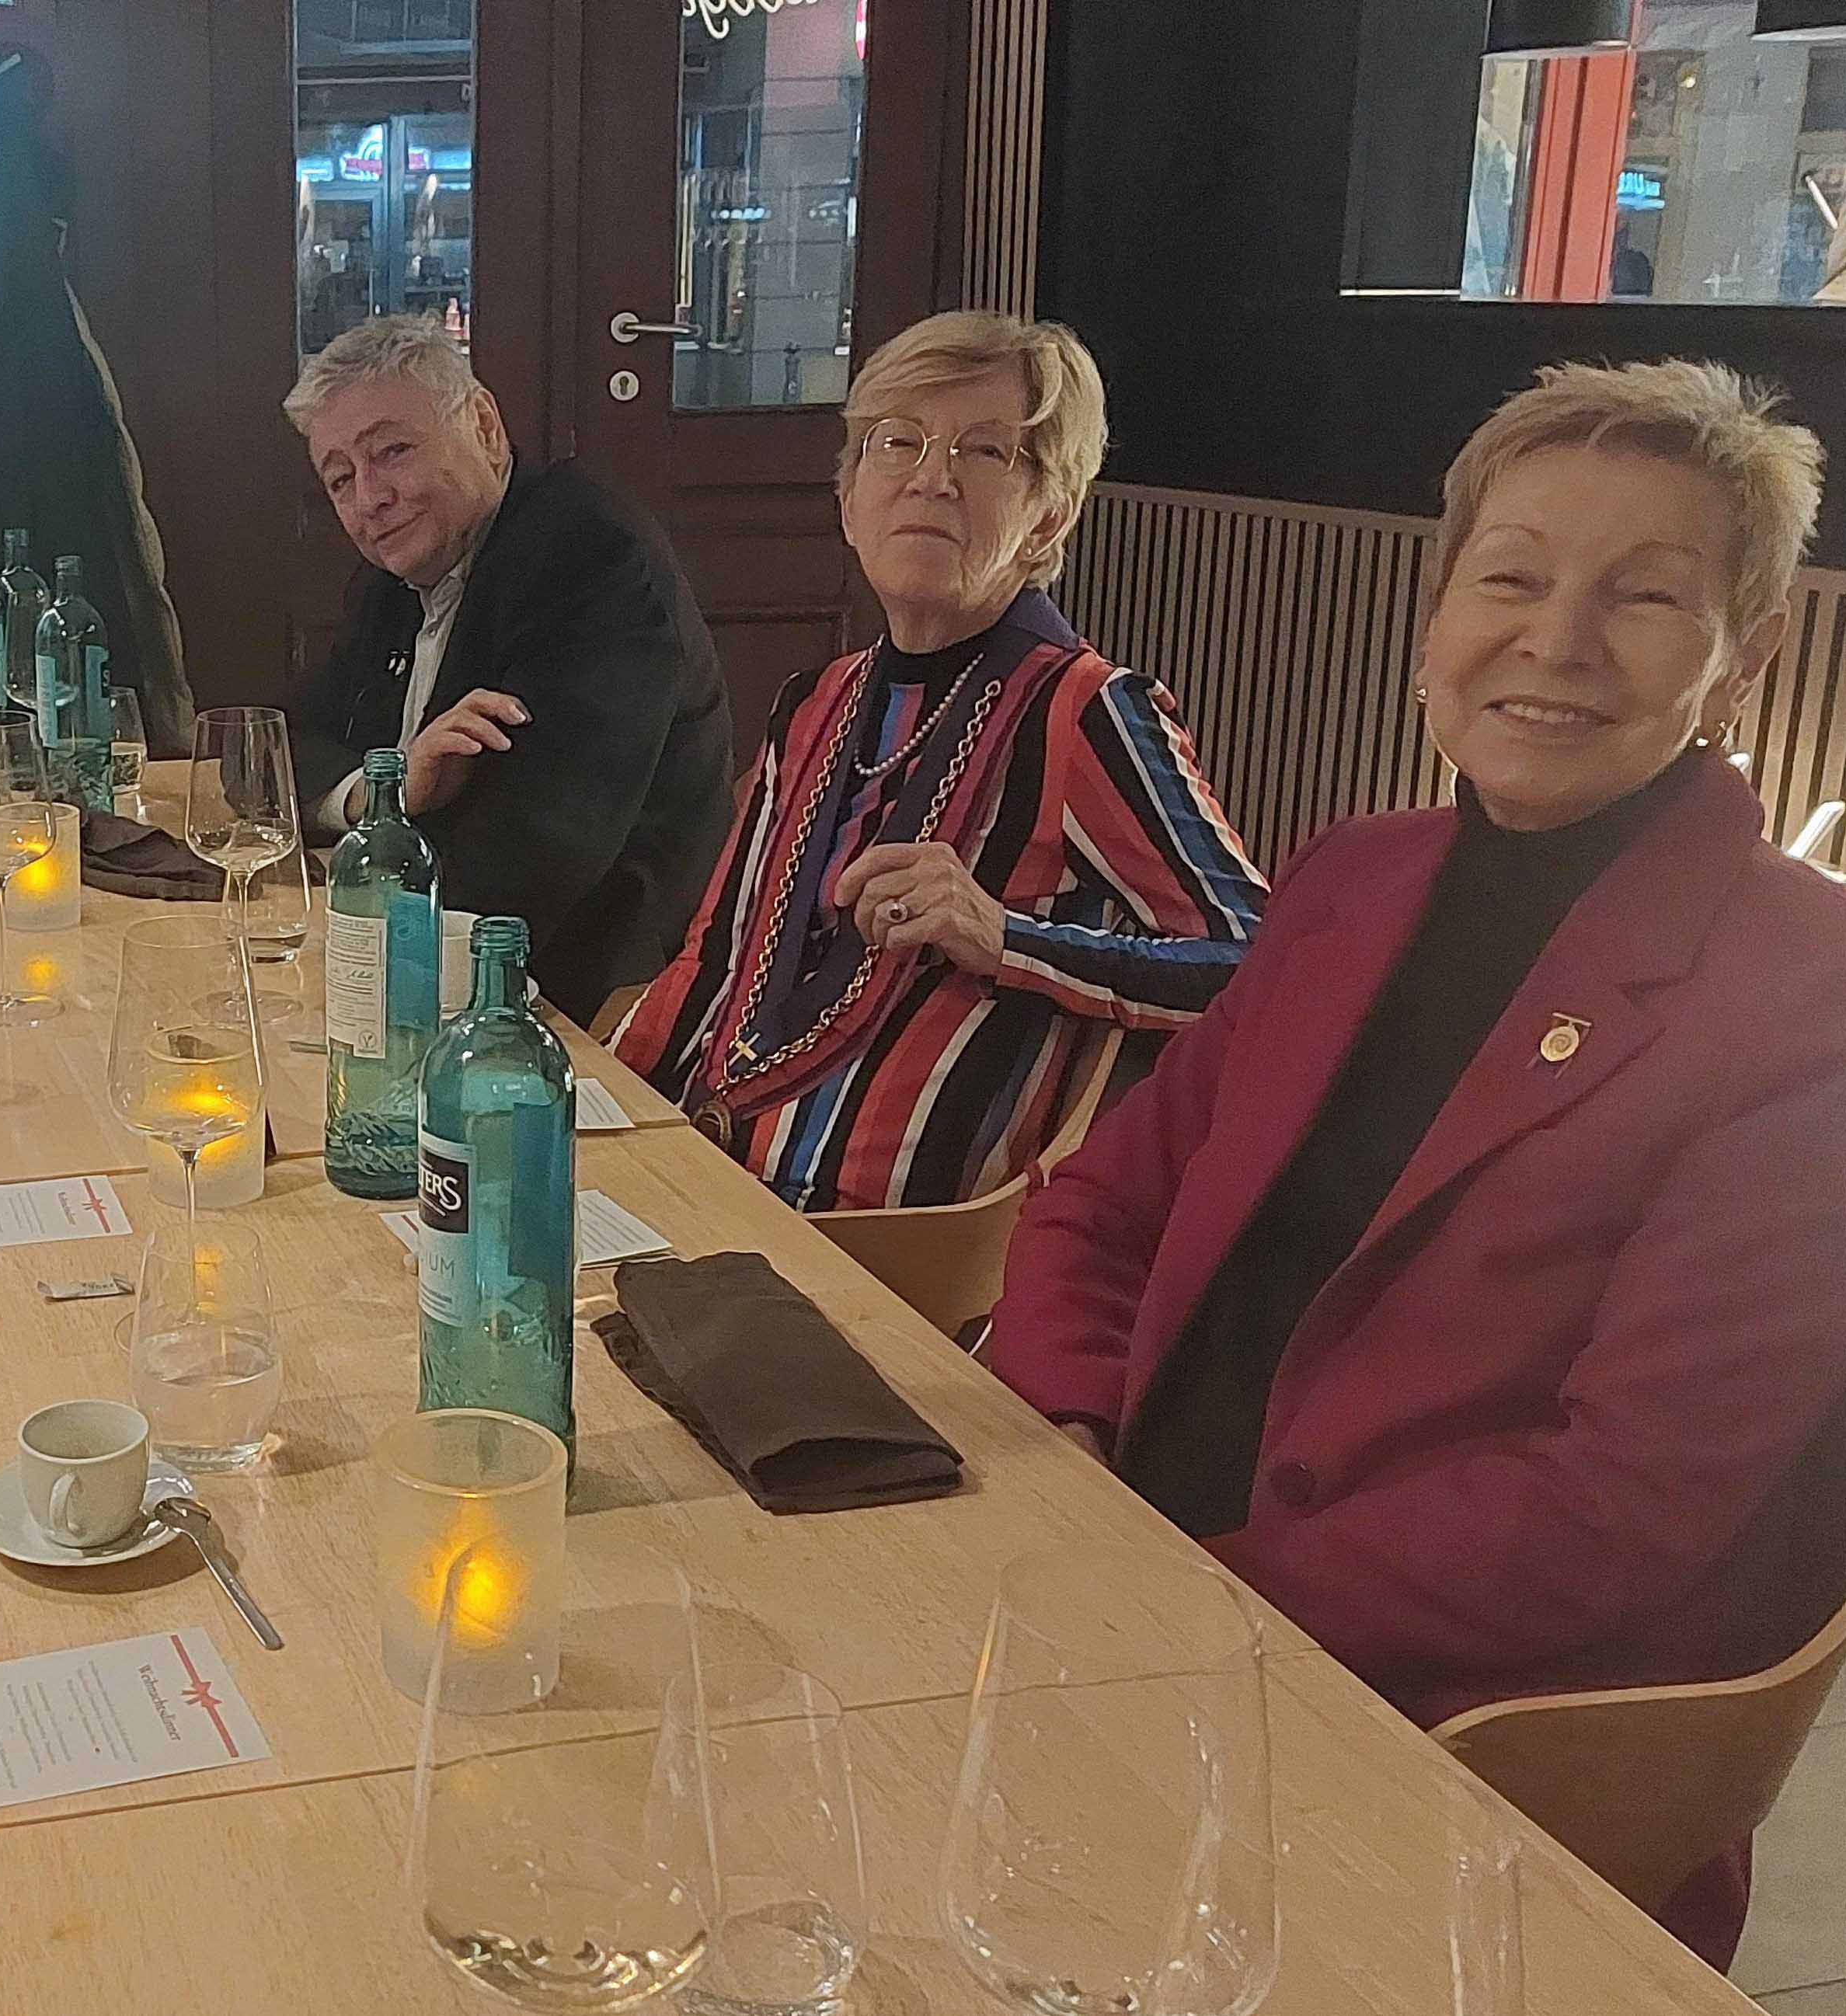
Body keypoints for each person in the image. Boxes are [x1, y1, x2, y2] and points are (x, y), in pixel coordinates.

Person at [987, 359, 1846, 1969]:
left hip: (1453, 1757)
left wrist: (1193, 1599)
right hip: (1128, 1607)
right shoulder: (1351, 876)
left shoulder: (1801, 995)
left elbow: (1622, 1506)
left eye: (1642, 596)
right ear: (1433, 615)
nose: (1555, 640)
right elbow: (1100, 1207)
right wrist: (1070, 1446)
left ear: (1744, 657)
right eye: (1508, 578)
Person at [614, 312, 1266, 1212]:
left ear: (1047, 518)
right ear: (848, 502)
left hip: (875, 1249)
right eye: (897, 442)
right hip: (696, 1179)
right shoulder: (815, 700)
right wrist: (600, 1123)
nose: (932, 478)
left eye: (985, 451)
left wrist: (1005, 938)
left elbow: (1258, 967)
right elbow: (716, 953)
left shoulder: (1086, 713)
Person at [284, 313, 733, 1018]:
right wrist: (388, 790)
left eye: (392, 451)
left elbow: (532, 858)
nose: (370, 498)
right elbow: (281, 748)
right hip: (426, 955)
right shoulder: (393, 578)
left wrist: (368, 858)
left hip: (588, 992)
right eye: (340, 479)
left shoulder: (587, 557)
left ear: (485, 427)